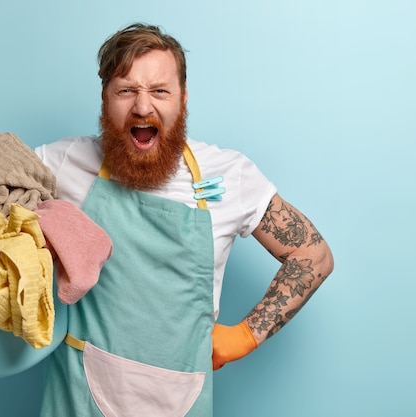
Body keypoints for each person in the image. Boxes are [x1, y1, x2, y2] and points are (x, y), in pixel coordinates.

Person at [34, 22, 334, 417]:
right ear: (105, 98)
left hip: (181, 400)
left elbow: (313, 254)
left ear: (183, 98)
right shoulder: (63, 162)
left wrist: (245, 335)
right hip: (77, 398)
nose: (143, 107)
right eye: (126, 90)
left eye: (160, 91)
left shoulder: (229, 175)